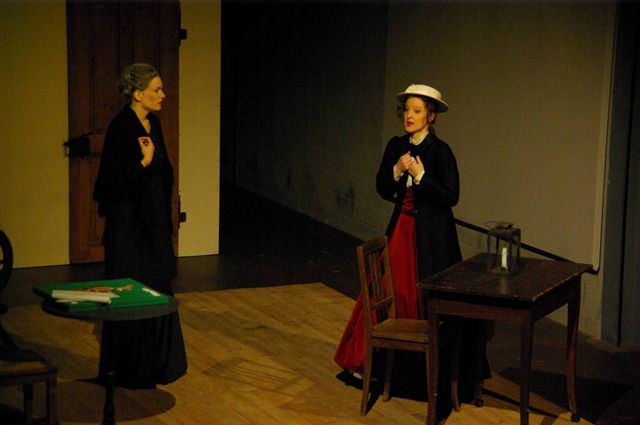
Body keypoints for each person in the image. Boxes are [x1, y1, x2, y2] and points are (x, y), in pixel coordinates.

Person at [334, 84, 488, 411]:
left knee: (424, 298)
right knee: (386, 291)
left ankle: (426, 376)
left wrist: (421, 176)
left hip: (432, 238)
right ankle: (373, 364)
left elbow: (451, 196)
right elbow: (382, 187)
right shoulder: (396, 146)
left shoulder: (441, 152)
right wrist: (397, 170)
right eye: (406, 110)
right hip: (401, 230)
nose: (409, 116)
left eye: (417, 111)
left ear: (430, 116)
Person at [93, 63, 187, 389]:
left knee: (158, 288)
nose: (163, 95)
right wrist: (142, 163)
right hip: (129, 229)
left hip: (153, 226)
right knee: (132, 294)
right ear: (137, 94)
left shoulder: (152, 124)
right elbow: (109, 184)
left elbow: (162, 173)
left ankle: (159, 365)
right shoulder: (121, 128)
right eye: (156, 89)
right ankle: (129, 371)